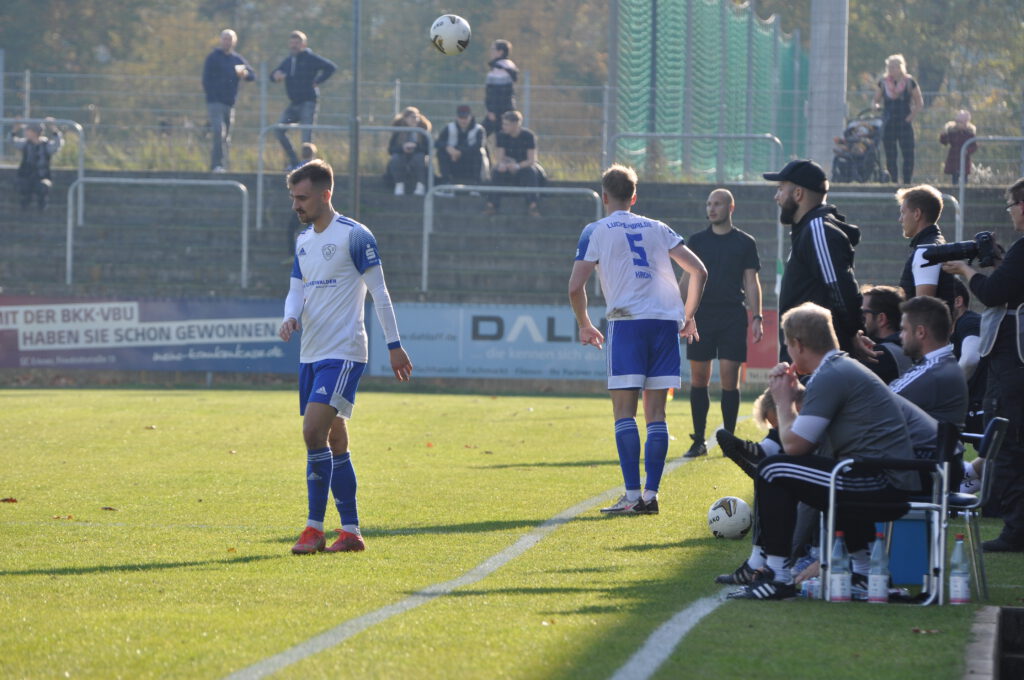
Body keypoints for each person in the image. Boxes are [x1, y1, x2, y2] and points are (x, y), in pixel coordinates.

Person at [727, 302, 922, 600]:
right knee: (821, 470)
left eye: (788, 346)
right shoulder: (839, 367)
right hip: (888, 475)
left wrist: (783, 400)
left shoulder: (831, 375)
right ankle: (865, 573)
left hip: (883, 480)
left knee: (773, 468)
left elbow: (793, 446)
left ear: (798, 344)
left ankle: (777, 575)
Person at [278, 159, 413, 554]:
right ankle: (351, 531)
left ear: (325, 194)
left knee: (311, 433)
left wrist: (394, 344)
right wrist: (289, 316)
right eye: (293, 198)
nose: (296, 205)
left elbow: (380, 293)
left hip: (344, 351)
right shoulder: (303, 240)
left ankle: (313, 528)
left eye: (302, 198)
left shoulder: (355, 236)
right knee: (334, 439)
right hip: (311, 352)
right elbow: (296, 289)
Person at [568, 164, 707, 515]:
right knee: (656, 414)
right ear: (634, 196)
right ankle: (651, 495)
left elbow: (575, 286)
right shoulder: (658, 228)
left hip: (627, 323)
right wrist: (687, 316)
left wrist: (584, 323)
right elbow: (699, 271)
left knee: (624, 412)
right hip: (663, 324)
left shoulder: (595, 230)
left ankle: (631, 496)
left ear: (604, 197)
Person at [942, 177, 1024, 552]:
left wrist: (965, 271)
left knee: (1007, 447)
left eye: (1011, 205)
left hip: (1014, 362)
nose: (1010, 213)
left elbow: (993, 292)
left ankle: (1015, 532)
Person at [679, 189, 763, 458]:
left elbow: (752, 282)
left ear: (730, 207)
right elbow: (685, 279)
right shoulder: (697, 241)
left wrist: (757, 317)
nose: (711, 208)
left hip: (732, 316)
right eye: (708, 204)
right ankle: (699, 440)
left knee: (730, 378)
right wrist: (679, 313)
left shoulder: (745, 243)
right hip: (702, 316)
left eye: (717, 204)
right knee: (699, 378)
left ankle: (729, 440)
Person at [763, 159, 865, 363]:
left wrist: (853, 333)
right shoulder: (808, 230)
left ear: (798, 193)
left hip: (815, 359)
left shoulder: (818, 230)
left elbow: (840, 288)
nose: (777, 197)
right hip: (807, 357)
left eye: (781, 189)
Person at [890, 295, 968, 427]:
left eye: (904, 329)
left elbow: (877, 401)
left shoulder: (933, 372)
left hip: (916, 447)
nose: (900, 336)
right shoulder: (944, 364)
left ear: (920, 332)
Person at [271, 30, 336, 169]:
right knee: (279, 129)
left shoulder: (310, 58)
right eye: (292, 43)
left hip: (308, 102)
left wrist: (318, 80)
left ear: (304, 44)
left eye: (297, 43)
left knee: (306, 137)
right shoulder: (288, 61)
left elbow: (331, 67)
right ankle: (294, 161)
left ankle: (307, 166)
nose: (294, 46)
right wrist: (275, 77)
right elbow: (273, 75)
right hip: (294, 104)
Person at [201, 29, 255, 173]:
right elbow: (205, 79)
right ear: (220, 40)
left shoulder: (237, 59)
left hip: (230, 103)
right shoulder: (213, 57)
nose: (227, 41)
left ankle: (224, 165)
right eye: (225, 38)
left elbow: (252, 75)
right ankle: (216, 165)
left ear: (234, 41)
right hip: (214, 102)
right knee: (219, 131)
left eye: (230, 39)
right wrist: (211, 95)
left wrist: (245, 73)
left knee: (226, 137)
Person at [895, 184, 956, 307]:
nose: (900, 219)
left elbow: (923, 310)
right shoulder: (936, 245)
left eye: (903, 212)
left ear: (917, 214)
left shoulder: (926, 253)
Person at [872, 54, 924, 184]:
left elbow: (919, 103)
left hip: (904, 122)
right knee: (890, 154)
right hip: (889, 122)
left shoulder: (909, 82)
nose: (892, 69)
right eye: (889, 67)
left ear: (901, 67)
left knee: (908, 153)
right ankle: (893, 181)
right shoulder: (883, 83)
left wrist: (910, 117)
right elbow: (875, 101)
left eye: (894, 66)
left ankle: (907, 181)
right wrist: (876, 107)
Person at [485, 110, 544, 217]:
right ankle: (492, 205)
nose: (503, 126)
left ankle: (533, 206)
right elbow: (500, 157)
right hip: (508, 168)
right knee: (497, 171)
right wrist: (505, 164)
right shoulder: (501, 136)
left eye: (506, 124)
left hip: (524, 169)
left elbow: (531, 160)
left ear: (515, 124)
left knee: (530, 172)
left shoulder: (528, 136)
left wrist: (517, 166)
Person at [950, 279, 986, 434]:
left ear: (958, 301)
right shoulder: (954, 329)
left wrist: (948, 391)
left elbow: (971, 359)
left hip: (981, 407)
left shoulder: (968, 321)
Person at [860, 285, 911, 384]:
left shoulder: (880, 354)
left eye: (863, 314)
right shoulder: (908, 346)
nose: (859, 319)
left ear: (881, 319)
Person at [11, 119, 63, 210]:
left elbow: (57, 145)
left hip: (42, 177)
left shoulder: (46, 145)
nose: (26, 132)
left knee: (43, 186)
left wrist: (54, 129)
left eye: (28, 130)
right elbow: (12, 142)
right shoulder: (25, 143)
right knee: (23, 185)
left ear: (34, 132)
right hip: (26, 176)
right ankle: (25, 203)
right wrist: (14, 130)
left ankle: (42, 204)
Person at [435, 104, 487, 186]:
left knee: (478, 153)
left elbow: (478, 146)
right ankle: (446, 181)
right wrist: (448, 148)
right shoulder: (449, 127)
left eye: (465, 118)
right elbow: (438, 143)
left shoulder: (478, 129)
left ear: (470, 117)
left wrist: (460, 152)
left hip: (469, 161)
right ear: (457, 117)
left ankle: (476, 183)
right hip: (453, 161)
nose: (463, 121)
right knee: (441, 152)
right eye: (461, 118)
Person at [385, 106, 432, 196]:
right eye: (412, 117)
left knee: (420, 158)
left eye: (417, 117)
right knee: (396, 158)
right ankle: (399, 184)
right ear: (405, 118)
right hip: (403, 157)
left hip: (422, 158)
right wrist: (403, 148)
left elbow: (428, 150)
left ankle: (421, 185)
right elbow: (391, 150)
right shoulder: (398, 131)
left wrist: (416, 147)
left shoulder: (423, 131)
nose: (415, 119)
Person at [285, 142, 319, 255]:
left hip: (301, 204)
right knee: (314, 229)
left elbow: (288, 173)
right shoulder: (318, 168)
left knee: (291, 229)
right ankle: (313, 253)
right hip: (313, 204)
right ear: (313, 154)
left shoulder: (297, 167)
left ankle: (291, 253)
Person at [483, 39, 518, 137]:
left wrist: (492, 110)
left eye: (493, 49)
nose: (491, 52)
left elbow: (497, 93)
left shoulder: (500, 68)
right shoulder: (505, 66)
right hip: (505, 110)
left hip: (499, 111)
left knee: (480, 135)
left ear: (500, 52)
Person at [940, 110, 977, 187]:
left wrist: (967, 151)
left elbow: (974, 146)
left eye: (960, 122)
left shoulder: (969, 134)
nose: (958, 124)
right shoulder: (952, 132)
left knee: (964, 176)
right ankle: (955, 188)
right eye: (957, 122)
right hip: (954, 158)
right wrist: (943, 135)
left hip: (964, 159)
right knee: (955, 176)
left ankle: (964, 188)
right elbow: (944, 142)